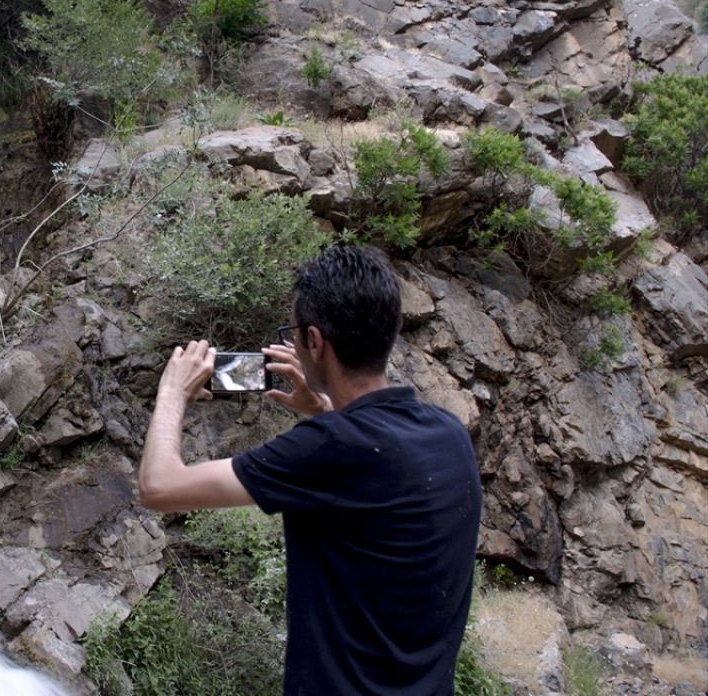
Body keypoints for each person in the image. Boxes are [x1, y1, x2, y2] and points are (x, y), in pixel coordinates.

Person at [138, 245, 481, 696]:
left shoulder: (332, 447)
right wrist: (323, 409)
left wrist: (172, 394)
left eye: (294, 331)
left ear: (314, 342)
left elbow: (159, 487)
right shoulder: (447, 432)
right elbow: (372, 471)